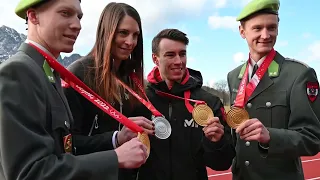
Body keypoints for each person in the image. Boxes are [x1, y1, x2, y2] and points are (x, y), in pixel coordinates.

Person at [0, 0, 148, 179]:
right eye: (65, 13)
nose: (77, 25)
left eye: (79, 17)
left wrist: (116, 139)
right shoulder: (18, 72)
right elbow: (28, 172)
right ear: (33, 16)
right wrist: (114, 157)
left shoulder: (48, 73)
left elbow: (66, 148)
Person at [226, 0, 320, 179]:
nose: (265, 35)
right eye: (257, 28)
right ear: (242, 32)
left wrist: (271, 136)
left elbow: (313, 138)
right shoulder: (234, 76)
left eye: (271, 27)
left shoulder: (298, 74)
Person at [63, 2, 155, 180]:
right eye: (123, 33)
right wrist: (115, 138)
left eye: (135, 35)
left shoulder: (132, 78)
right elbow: (67, 144)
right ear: (107, 32)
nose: (130, 42)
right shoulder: (79, 74)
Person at [135, 28, 235, 180]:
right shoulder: (139, 100)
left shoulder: (208, 102)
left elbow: (221, 164)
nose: (178, 61)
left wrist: (216, 143)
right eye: (170, 55)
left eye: (182, 54)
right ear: (155, 59)